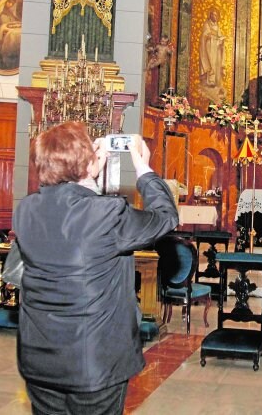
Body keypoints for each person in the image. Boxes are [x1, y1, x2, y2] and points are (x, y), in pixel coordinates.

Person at [12, 122, 179, 415]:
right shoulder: (107, 213)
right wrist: (143, 168)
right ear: (89, 163)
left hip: (39, 360)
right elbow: (165, 217)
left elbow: (74, 209)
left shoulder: (26, 210)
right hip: (94, 364)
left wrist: (88, 169)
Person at [199, 9, 225, 87]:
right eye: (213, 14)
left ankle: (215, 80)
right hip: (209, 46)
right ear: (210, 15)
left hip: (216, 47)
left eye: (216, 15)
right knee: (211, 62)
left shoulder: (217, 25)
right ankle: (210, 80)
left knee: (216, 63)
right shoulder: (207, 24)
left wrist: (221, 40)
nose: (215, 16)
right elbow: (205, 35)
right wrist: (212, 35)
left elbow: (219, 35)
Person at [0, 0, 22, 70]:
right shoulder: (1, 13)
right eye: (9, 2)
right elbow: (4, 24)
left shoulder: (11, 13)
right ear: (5, 2)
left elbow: (12, 23)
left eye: (12, 3)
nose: (11, 5)